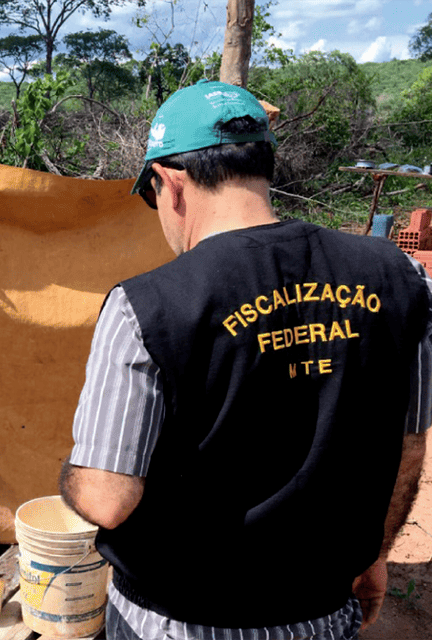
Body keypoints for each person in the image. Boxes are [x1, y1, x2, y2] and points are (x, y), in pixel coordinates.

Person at [59, 79, 430, 640]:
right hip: (323, 614)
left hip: (178, 621)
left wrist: (72, 477)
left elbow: (108, 499)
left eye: (151, 195)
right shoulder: (403, 279)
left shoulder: (146, 306)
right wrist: (373, 554)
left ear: (170, 183)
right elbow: (408, 442)